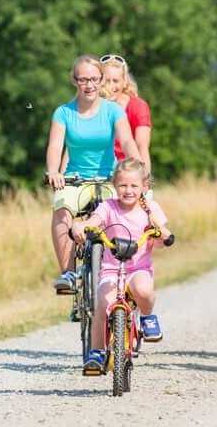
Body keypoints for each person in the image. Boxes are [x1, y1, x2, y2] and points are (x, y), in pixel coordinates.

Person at [46, 55, 140, 293]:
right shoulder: (64, 113)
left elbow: (127, 141)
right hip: (75, 179)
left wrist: (137, 168)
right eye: (83, 79)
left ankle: (123, 272)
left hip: (108, 178)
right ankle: (67, 272)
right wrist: (54, 172)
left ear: (101, 81)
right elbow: (56, 146)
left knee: (122, 217)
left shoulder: (113, 111)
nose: (89, 85)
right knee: (61, 209)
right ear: (74, 81)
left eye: (94, 79)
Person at [71, 158, 172, 373]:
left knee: (144, 290)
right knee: (102, 302)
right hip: (111, 270)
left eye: (134, 185)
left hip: (138, 269)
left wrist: (163, 234)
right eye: (123, 185)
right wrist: (84, 226)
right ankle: (97, 351)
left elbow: (162, 239)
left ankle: (146, 316)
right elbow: (95, 221)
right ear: (114, 186)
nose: (128, 190)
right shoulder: (108, 207)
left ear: (145, 186)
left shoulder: (150, 209)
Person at [100, 54, 152, 172]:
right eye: (106, 81)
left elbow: (142, 147)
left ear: (124, 82)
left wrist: (145, 178)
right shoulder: (91, 106)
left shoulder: (138, 106)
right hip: (96, 170)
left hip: (126, 170)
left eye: (116, 81)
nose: (111, 86)